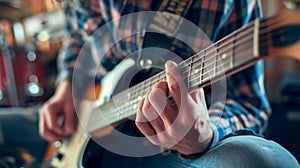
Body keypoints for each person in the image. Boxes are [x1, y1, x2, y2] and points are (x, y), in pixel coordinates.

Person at [39, 0, 299, 167]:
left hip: (178, 143)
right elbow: (78, 36)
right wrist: (65, 88)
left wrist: (204, 135)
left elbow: (248, 104)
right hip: (83, 113)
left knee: (263, 162)